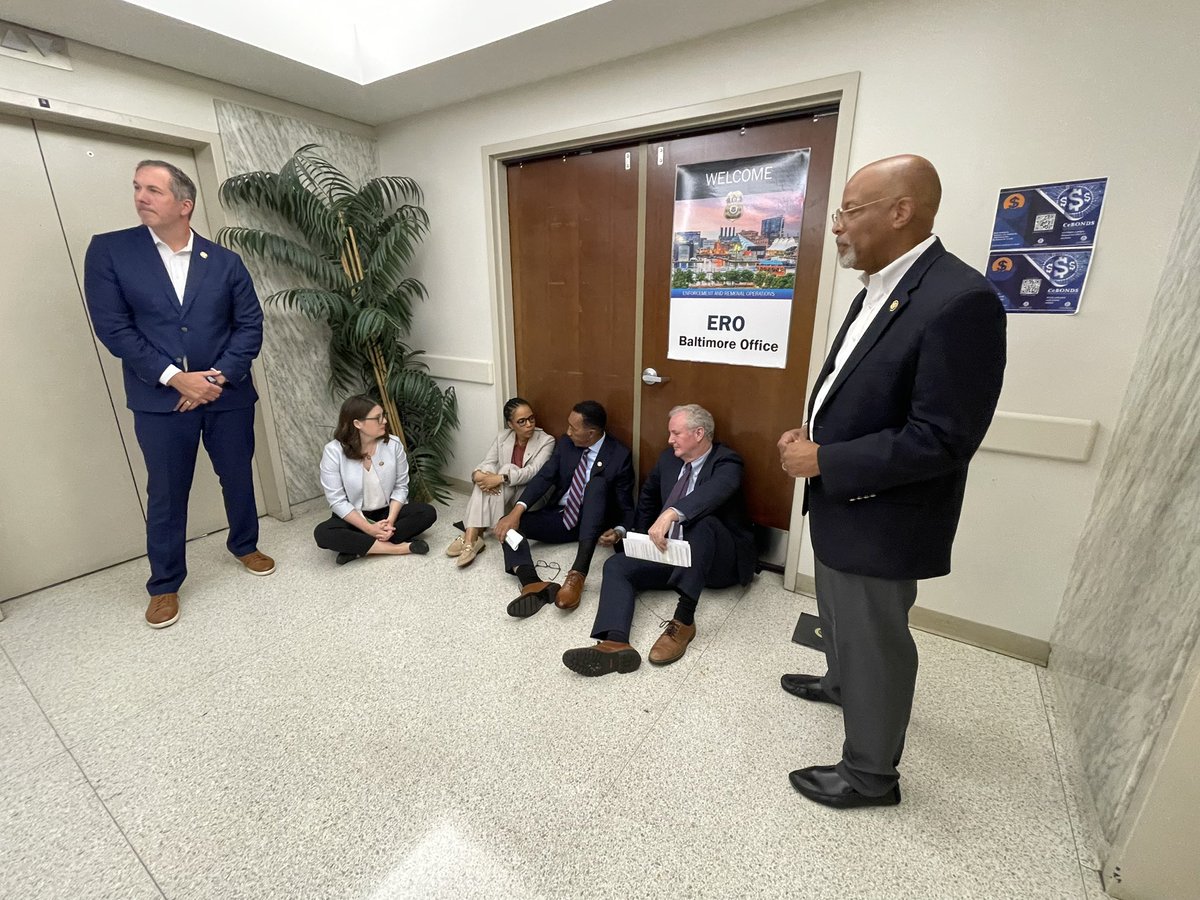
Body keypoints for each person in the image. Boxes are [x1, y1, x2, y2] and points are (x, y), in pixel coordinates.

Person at [778, 155, 1006, 809]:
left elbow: (943, 438)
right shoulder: (879, 287)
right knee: (840, 617)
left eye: (850, 210)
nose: (839, 225)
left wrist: (828, 461)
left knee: (878, 640)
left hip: (886, 514)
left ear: (901, 212)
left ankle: (870, 775)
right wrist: (812, 433)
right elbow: (863, 391)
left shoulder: (960, 300)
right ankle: (842, 683)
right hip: (842, 501)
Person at [84, 160, 273, 630]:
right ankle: (165, 583)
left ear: (184, 205)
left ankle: (245, 545)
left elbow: (249, 325)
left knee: (237, 476)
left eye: (153, 190)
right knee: (167, 491)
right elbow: (114, 328)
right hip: (160, 400)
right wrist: (175, 377)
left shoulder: (224, 261)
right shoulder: (111, 252)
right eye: (137, 188)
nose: (140, 197)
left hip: (227, 397)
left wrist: (216, 379)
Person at [562, 404, 756, 676]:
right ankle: (614, 642)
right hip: (672, 553)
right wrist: (640, 540)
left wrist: (673, 514)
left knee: (704, 522)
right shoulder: (668, 459)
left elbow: (714, 492)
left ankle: (684, 621)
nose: (669, 440)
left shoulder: (727, 462)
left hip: (716, 563)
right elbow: (648, 498)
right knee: (616, 566)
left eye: (676, 433)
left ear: (699, 433)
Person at [495, 400, 634, 618]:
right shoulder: (567, 444)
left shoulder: (619, 455)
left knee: (596, 485)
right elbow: (545, 477)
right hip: (562, 517)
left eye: (573, 428)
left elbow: (626, 506)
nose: (567, 432)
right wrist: (517, 511)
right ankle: (531, 583)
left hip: (594, 524)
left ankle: (577, 574)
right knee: (509, 525)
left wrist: (619, 531)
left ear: (591, 433)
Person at [314, 396, 437, 564]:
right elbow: (337, 500)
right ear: (357, 424)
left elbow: (401, 487)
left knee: (426, 512)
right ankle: (399, 548)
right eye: (377, 418)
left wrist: (390, 520)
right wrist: (369, 529)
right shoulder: (333, 452)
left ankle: (359, 549)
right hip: (354, 515)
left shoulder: (393, 444)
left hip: (386, 512)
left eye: (383, 415)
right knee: (323, 533)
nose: (384, 421)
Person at [447, 397, 555, 568]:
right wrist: (477, 475)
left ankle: (472, 535)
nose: (529, 424)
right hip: (505, 496)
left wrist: (500, 478)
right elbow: (488, 461)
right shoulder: (503, 437)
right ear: (511, 424)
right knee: (486, 475)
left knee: (505, 469)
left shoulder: (546, 440)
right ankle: (472, 536)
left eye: (531, 418)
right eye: (522, 421)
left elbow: (533, 472)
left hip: (529, 499)